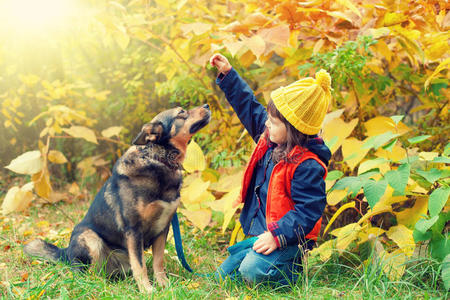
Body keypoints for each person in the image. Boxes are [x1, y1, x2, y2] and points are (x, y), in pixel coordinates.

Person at [209, 53, 332, 286]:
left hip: (288, 238)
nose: (266, 124)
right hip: (264, 235)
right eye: (269, 118)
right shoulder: (270, 139)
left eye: (274, 122)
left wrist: (277, 236)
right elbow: (248, 107)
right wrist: (229, 75)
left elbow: (308, 211)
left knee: (252, 271)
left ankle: (291, 271)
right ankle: (254, 252)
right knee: (224, 277)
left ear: (294, 129)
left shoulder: (306, 165)